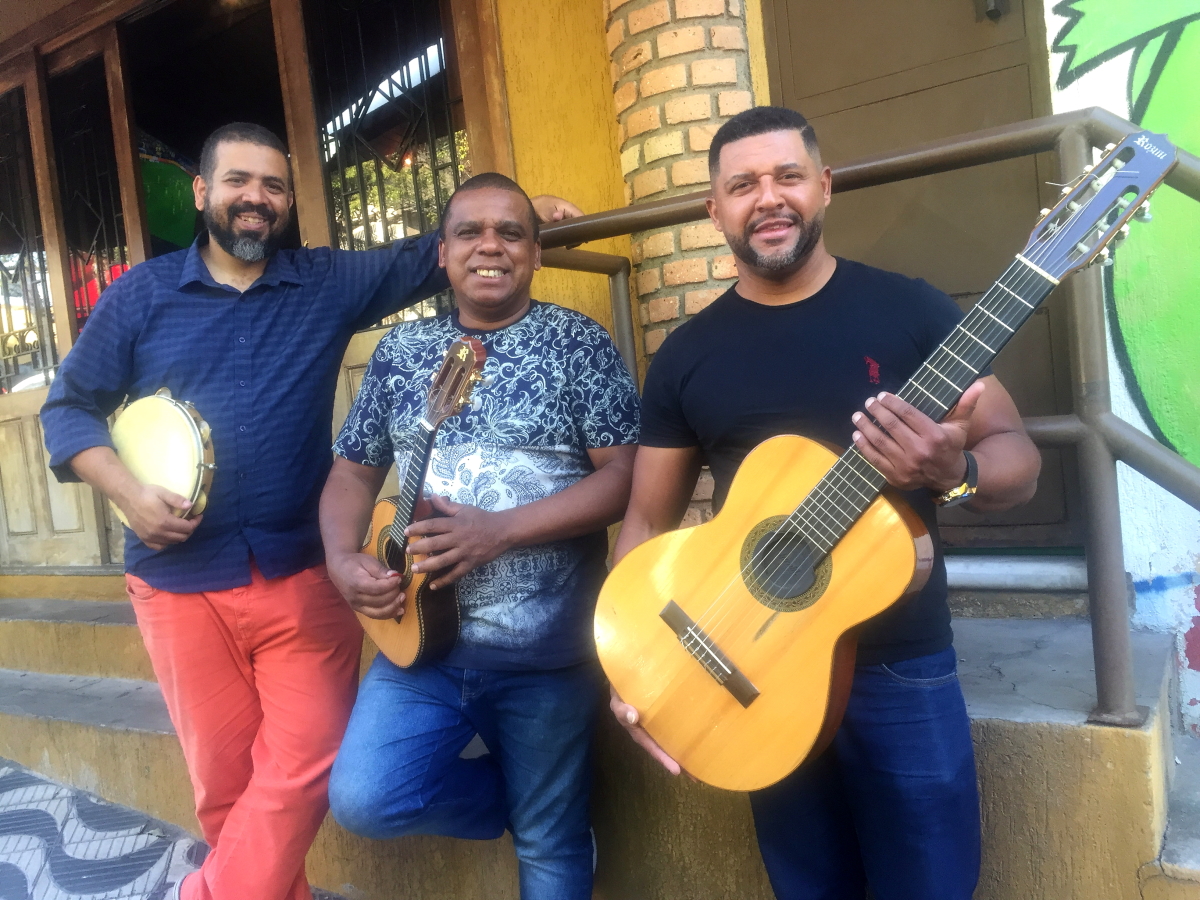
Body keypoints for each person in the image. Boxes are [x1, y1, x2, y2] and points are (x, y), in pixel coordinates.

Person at [39, 123, 580, 900]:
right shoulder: (141, 296)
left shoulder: (324, 283)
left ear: (288, 201)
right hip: (176, 581)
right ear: (203, 193)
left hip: (302, 574)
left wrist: (525, 217)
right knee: (226, 788)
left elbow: (440, 246)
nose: (255, 199)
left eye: (272, 186)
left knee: (306, 765)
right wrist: (127, 494)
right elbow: (68, 410)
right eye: (238, 182)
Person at [608, 106, 1042, 900]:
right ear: (714, 209)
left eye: (787, 176)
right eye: (742, 185)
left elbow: (1019, 460)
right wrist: (634, 662)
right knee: (807, 887)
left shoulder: (910, 312)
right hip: (748, 665)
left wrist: (958, 469)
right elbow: (645, 519)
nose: (766, 198)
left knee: (934, 886)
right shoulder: (685, 357)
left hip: (901, 665)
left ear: (825, 186)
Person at [320, 172, 639, 900]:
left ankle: (547, 820)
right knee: (365, 799)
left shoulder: (577, 344)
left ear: (534, 254)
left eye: (511, 233)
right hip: (417, 646)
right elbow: (350, 473)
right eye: (470, 232)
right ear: (442, 252)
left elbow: (627, 476)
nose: (489, 246)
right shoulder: (402, 354)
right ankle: (522, 804)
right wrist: (342, 559)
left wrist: (501, 532)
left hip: (545, 654)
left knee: (552, 851)